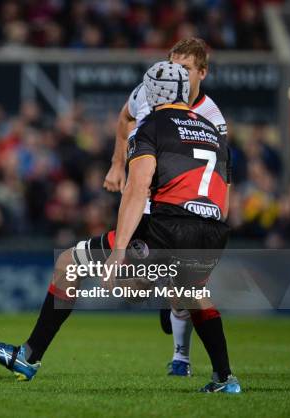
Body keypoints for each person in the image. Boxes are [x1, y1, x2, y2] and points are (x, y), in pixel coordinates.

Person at [0, 61, 241, 394]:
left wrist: (119, 253)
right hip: (214, 232)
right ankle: (224, 379)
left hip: (168, 228)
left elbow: (136, 191)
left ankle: (28, 356)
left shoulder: (151, 127)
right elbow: (225, 200)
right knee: (194, 295)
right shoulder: (213, 132)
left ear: (152, 92)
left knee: (69, 265)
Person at [103, 37, 228, 377]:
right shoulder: (150, 91)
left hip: (174, 208)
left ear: (202, 72)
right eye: (173, 65)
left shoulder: (212, 118)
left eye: (185, 68)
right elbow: (124, 117)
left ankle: (181, 358)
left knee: (161, 289)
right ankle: (218, 373)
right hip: (164, 207)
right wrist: (117, 164)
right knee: (174, 290)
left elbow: (216, 177)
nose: (177, 74)